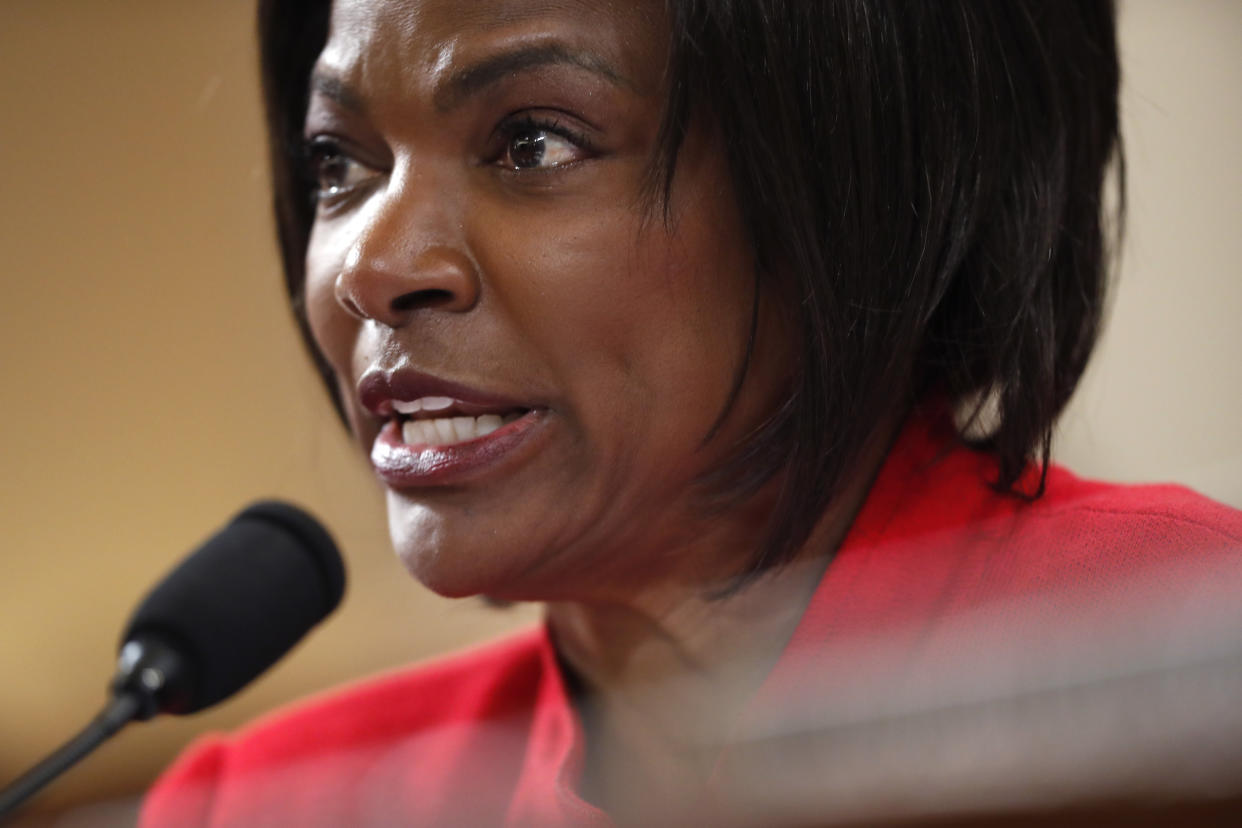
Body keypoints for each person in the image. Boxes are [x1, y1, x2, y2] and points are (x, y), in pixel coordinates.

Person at [142, 0, 1242, 825]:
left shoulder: (1189, 642)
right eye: (339, 164)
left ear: (860, 182)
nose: (372, 267)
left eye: (533, 142)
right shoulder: (266, 807)